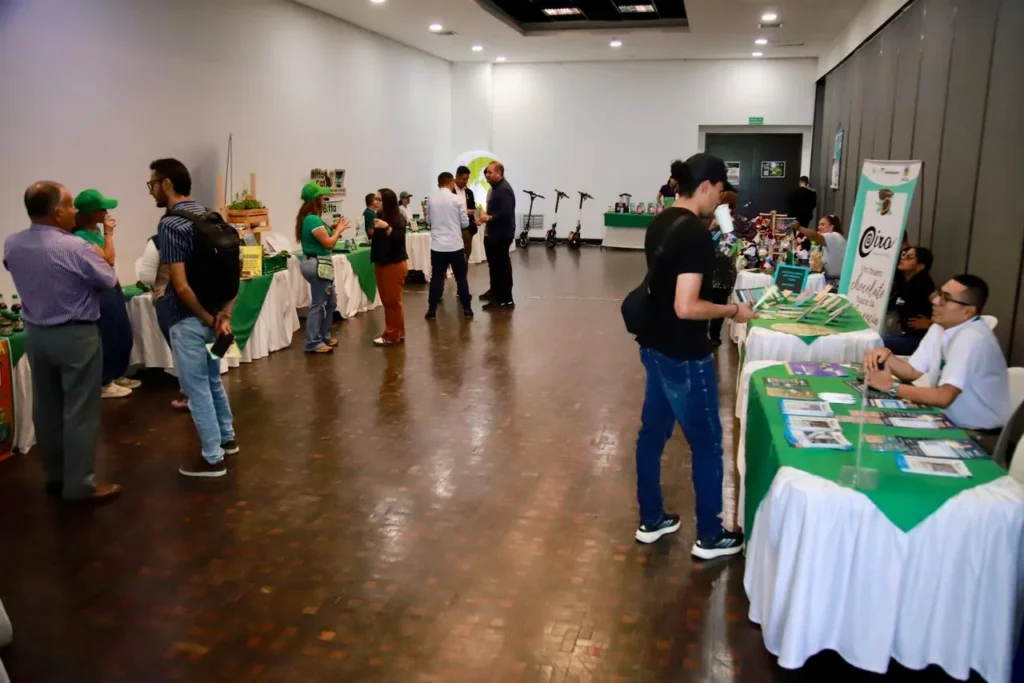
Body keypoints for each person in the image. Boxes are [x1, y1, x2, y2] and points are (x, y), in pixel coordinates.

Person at [632, 154, 754, 557]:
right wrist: (733, 310)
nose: (720, 200)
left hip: (655, 346)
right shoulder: (694, 235)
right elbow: (686, 306)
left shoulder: (662, 222)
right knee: (707, 444)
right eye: (720, 191)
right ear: (705, 186)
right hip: (684, 353)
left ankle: (651, 519)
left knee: (652, 435)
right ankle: (711, 535)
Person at [3, 181, 121, 502]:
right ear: (57, 213)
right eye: (70, 206)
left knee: (47, 409)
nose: (74, 211)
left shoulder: (12, 243)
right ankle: (80, 484)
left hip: (36, 335)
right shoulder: (75, 247)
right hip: (76, 335)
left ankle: (54, 476)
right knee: (80, 411)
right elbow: (108, 279)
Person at [149, 158, 239, 478]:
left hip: (188, 320)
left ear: (167, 184)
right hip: (216, 318)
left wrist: (204, 317)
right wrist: (222, 316)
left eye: (153, 184)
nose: (151, 191)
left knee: (195, 387)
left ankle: (212, 458)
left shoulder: (171, 225)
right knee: (212, 380)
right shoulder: (211, 217)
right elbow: (234, 273)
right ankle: (227, 438)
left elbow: (181, 285)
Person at [864, 274, 1010, 442]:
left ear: (967, 311)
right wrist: (884, 355)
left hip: (977, 434)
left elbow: (943, 397)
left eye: (946, 299)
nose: (935, 301)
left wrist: (891, 388)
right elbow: (911, 372)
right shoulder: (940, 327)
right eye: (938, 294)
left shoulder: (973, 338)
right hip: (944, 419)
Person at [72, 189, 137, 399]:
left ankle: (117, 374)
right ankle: (104, 381)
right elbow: (108, 259)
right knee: (108, 336)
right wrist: (109, 233)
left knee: (123, 333)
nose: (107, 213)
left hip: (112, 287)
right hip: (99, 292)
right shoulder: (81, 237)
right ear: (93, 213)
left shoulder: (95, 232)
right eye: (103, 210)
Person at [136, 232, 189, 411]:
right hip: (200, 300)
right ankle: (212, 394)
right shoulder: (198, 235)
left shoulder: (158, 241)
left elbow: (146, 277)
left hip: (168, 299)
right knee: (204, 350)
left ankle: (189, 395)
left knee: (181, 351)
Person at [296, 182, 350, 354]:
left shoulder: (310, 218)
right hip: (317, 264)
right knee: (318, 304)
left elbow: (324, 237)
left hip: (319, 263)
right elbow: (328, 243)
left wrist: (334, 229)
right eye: (322, 197)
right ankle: (313, 342)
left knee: (331, 302)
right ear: (316, 199)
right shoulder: (312, 219)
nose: (325, 200)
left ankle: (323, 336)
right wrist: (338, 230)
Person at [425, 172, 472, 319]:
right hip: (455, 245)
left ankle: (432, 310)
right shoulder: (457, 199)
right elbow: (465, 223)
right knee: (461, 278)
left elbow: (428, 221)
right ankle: (467, 309)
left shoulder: (431, 200)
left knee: (436, 277)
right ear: (451, 183)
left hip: (438, 246)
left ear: (439, 183)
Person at [367, 188, 409, 346]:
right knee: (390, 301)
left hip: (393, 264)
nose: (375, 202)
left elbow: (399, 240)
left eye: (379, 199)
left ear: (388, 202)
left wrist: (386, 227)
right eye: (375, 199)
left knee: (392, 301)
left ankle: (391, 335)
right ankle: (398, 331)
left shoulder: (397, 218)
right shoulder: (380, 216)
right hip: (383, 263)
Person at [477, 161, 516, 310]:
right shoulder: (496, 189)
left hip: (501, 235)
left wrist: (489, 218)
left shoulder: (503, 190)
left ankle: (503, 299)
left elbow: (506, 213)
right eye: (486, 172)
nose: (487, 175)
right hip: (494, 234)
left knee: (501, 267)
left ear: (499, 173)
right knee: (495, 266)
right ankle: (496, 293)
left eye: (490, 172)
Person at [883, 246, 935, 355]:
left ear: (920, 266)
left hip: (918, 338)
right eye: (903, 255)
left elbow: (944, 306)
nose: (903, 258)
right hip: (903, 333)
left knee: (878, 342)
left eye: (909, 257)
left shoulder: (925, 284)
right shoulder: (905, 282)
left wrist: (931, 323)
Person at [708, 190, 740, 347]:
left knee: (718, 304)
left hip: (722, 271)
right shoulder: (712, 221)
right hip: (711, 269)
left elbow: (730, 250)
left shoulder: (733, 223)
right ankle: (710, 335)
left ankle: (714, 336)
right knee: (711, 303)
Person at [796, 214, 846, 288]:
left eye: (822, 225)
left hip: (835, 284)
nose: (819, 227)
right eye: (819, 225)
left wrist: (799, 228)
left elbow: (815, 236)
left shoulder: (834, 236)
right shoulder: (831, 240)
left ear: (832, 227)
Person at [454, 165, 478, 260]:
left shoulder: (469, 192)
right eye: (463, 179)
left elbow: (473, 208)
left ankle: (464, 269)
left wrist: (476, 216)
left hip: (467, 230)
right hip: (453, 229)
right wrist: (464, 212)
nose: (465, 181)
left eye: (467, 179)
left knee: (465, 256)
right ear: (456, 177)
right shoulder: (450, 191)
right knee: (454, 257)